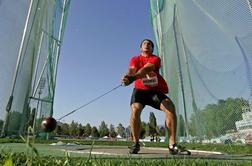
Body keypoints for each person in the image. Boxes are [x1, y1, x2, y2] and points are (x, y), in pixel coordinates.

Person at [122, 39, 190, 155]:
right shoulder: (135, 59)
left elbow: (146, 69)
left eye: (149, 44)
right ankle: (135, 143)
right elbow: (132, 70)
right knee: (135, 110)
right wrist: (128, 76)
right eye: (144, 43)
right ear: (140, 48)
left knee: (170, 108)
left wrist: (133, 78)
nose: (147, 45)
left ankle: (172, 144)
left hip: (154, 91)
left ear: (152, 49)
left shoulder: (155, 59)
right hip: (140, 91)